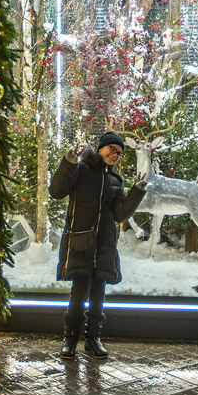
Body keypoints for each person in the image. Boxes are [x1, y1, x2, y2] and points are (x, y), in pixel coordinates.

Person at [48, 131, 147, 360]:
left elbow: (120, 214)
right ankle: (70, 340)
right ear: (101, 147)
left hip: (104, 245)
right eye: (112, 149)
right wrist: (68, 162)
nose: (115, 155)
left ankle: (93, 339)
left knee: (98, 297)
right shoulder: (81, 170)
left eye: (119, 153)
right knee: (78, 294)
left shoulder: (115, 181)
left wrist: (137, 191)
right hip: (81, 242)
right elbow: (56, 192)